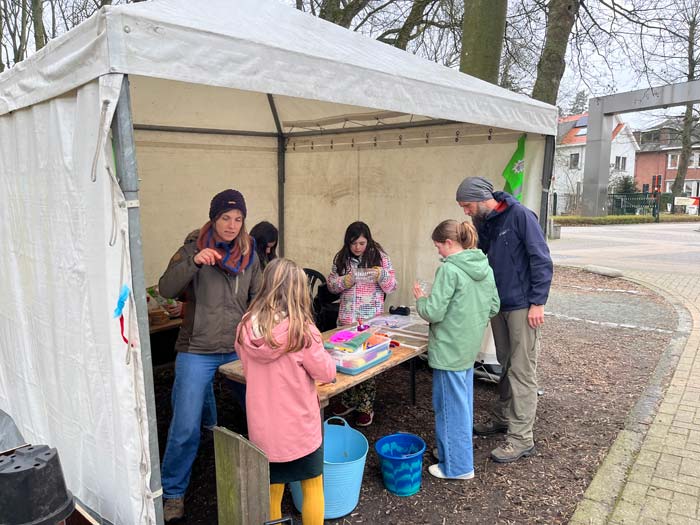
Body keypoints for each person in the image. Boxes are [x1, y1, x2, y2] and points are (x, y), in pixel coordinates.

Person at [158, 188, 262, 522]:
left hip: (237, 347)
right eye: (225, 218)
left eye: (238, 218)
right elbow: (165, 289)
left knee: (261, 410)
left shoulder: (250, 253)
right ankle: (173, 492)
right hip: (197, 349)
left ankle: (272, 472)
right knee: (185, 425)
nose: (231, 225)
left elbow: (259, 297)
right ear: (213, 218)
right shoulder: (192, 247)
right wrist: (194, 261)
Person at [456, 176, 553, 463]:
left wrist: (538, 302)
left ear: (481, 198)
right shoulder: (484, 222)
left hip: (523, 306)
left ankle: (521, 438)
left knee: (522, 370)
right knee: (505, 364)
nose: (465, 211)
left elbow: (541, 258)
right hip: (499, 305)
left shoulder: (520, 216)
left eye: (467, 205)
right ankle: (503, 418)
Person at [235, 258, 336, 524]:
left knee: (272, 489)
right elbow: (326, 373)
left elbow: (246, 365)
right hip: (300, 427)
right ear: (299, 290)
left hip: (263, 429)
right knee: (313, 485)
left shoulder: (245, 326)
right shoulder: (302, 331)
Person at [413, 220, 500, 480]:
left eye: (438, 245)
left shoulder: (449, 270)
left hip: (448, 350)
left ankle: (458, 467)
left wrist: (420, 299)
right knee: (461, 406)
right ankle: (454, 455)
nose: (438, 251)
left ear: (449, 243)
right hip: (468, 347)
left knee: (449, 409)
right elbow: (493, 306)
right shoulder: (484, 267)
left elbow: (434, 312)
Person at [327, 221, 397, 426]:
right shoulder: (341, 259)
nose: (357, 247)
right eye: (353, 243)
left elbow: (392, 286)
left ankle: (365, 406)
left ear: (369, 240)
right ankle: (348, 400)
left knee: (366, 362)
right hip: (346, 320)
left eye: (361, 243)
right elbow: (331, 286)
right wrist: (346, 281)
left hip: (370, 321)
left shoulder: (380, 258)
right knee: (345, 360)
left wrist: (380, 274)